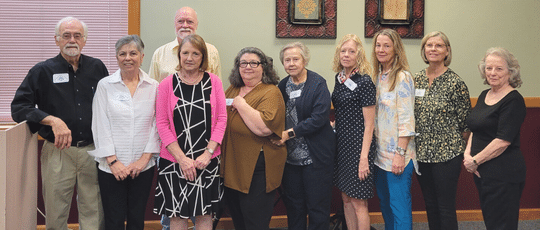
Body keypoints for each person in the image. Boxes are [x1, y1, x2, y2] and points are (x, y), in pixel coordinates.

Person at [11, 16, 107, 230]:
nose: (72, 40)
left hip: (92, 152)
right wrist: (52, 120)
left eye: (77, 36)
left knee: (94, 212)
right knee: (56, 212)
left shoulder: (97, 68)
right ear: (56, 40)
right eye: (66, 35)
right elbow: (18, 108)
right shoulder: (42, 71)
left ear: (84, 40)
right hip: (57, 151)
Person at [153, 34, 226, 230]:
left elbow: (221, 120)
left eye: (195, 53)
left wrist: (207, 153)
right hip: (173, 161)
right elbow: (162, 123)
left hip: (206, 161)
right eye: (185, 53)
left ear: (203, 57)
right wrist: (182, 159)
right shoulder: (166, 84)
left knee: (204, 215)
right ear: (179, 56)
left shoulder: (214, 82)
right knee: (177, 216)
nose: (189, 58)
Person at [89, 35, 159, 230]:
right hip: (111, 167)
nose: (128, 58)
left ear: (142, 57)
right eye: (122, 54)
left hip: (142, 167)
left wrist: (144, 159)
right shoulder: (105, 85)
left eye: (133, 53)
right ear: (116, 57)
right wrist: (113, 161)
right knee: (114, 220)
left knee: (137, 218)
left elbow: (157, 124)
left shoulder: (153, 87)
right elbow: (100, 124)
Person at [221, 47, 287, 230]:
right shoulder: (233, 89)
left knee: (255, 221)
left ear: (263, 67)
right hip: (232, 164)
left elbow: (264, 128)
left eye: (254, 63)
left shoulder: (270, 92)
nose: (248, 67)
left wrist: (241, 105)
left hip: (257, 168)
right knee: (238, 217)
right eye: (243, 63)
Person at [273, 42, 335, 230]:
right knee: (294, 206)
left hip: (315, 157)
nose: (291, 63)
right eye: (287, 60)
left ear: (305, 60)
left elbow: (319, 118)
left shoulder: (317, 83)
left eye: (295, 59)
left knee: (317, 207)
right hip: (291, 159)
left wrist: (290, 133)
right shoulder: (282, 85)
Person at [413, 31, 472, 230]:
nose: (433, 49)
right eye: (429, 45)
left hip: (447, 155)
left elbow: (466, 125)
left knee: (445, 207)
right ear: (424, 50)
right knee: (429, 204)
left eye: (438, 46)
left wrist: (456, 148)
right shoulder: (417, 79)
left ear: (447, 51)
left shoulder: (456, 83)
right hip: (422, 153)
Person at [463, 47, 526, 230]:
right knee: (491, 221)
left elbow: (503, 141)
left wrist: (475, 160)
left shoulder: (513, 100)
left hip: (504, 174)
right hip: (482, 171)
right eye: (489, 68)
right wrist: (468, 155)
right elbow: (475, 128)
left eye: (499, 69)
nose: (492, 73)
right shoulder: (485, 95)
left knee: (502, 224)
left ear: (510, 72)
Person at [372, 29, 416, 230]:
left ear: (396, 49)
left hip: (398, 155)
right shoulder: (378, 76)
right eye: (378, 45)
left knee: (399, 205)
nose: (381, 50)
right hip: (379, 155)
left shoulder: (402, 77)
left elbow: (407, 119)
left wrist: (400, 153)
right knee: (385, 202)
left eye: (386, 46)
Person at [331, 34, 377, 230]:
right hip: (342, 148)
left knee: (359, 202)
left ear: (359, 55)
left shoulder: (365, 81)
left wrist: (364, 158)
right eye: (343, 51)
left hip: (360, 148)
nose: (347, 55)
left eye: (351, 51)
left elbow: (369, 124)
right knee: (346, 198)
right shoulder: (339, 78)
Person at [149, 6, 221, 83]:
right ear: (174, 24)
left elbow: (217, 88)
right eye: (180, 21)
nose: (185, 25)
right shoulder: (160, 54)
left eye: (190, 22)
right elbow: (152, 90)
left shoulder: (211, 51)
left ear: (196, 24)